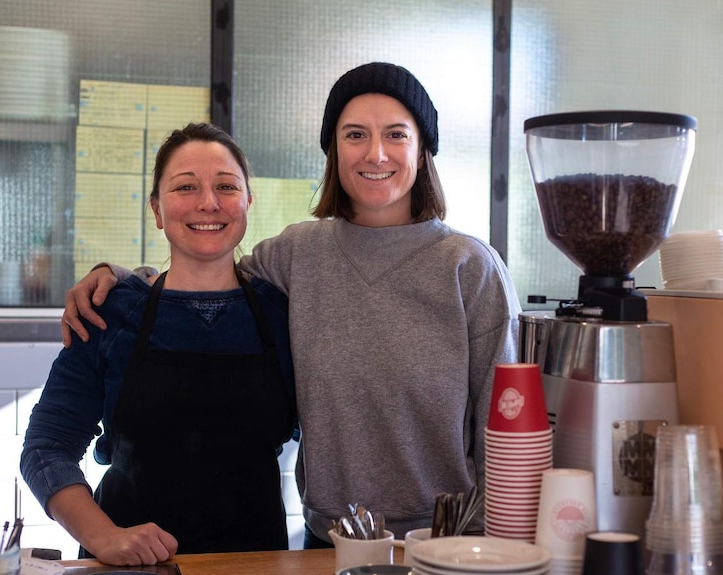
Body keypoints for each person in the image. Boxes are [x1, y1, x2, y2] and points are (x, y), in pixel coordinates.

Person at [62, 62, 522, 548]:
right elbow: (203, 270)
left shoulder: (471, 267)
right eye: (355, 134)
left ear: (423, 149)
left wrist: (499, 546)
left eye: (396, 134)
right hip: (332, 541)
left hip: (448, 543)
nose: (376, 153)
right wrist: (116, 277)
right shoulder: (298, 254)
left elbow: (509, 425)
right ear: (333, 151)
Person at [21, 123, 296, 565]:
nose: (208, 202)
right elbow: (46, 448)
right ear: (156, 209)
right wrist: (105, 537)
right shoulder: (108, 312)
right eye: (185, 186)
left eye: (226, 186)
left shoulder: (283, 316)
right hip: (129, 569)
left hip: (255, 562)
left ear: (247, 201)